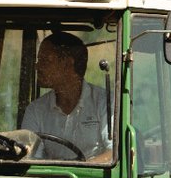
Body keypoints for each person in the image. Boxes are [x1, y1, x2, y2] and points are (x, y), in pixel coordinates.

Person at [20, 31, 112, 161]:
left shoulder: (105, 102)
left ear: (67, 63)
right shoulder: (36, 110)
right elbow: (30, 158)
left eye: (45, 60)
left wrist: (80, 170)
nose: (37, 66)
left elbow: (114, 154)